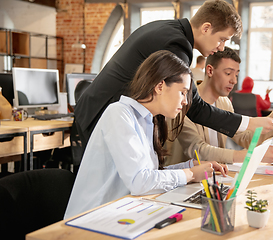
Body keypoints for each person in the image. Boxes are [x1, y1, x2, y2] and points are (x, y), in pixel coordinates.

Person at [74, 0, 273, 154]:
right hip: (101, 115)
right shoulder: (177, 45)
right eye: (222, 39)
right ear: (206, 28)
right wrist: (248, 123)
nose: (221, 47)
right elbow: (194, 107)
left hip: (103, 109)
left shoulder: (170, 30)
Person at [64, 51, 228, 219]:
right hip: (93, 219)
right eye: (182, 92)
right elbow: (140, 182)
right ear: (160, 86)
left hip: (122, 211)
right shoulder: (119, 113)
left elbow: (150, 174)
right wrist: (191, 174)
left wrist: (189, 166)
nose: (185, 101)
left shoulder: (148, 120)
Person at [165, 47, 273, 165]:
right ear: (210, 71)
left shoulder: (224, 103)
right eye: (228, 73)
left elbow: (244, 139)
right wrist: (250, 156)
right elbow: (199, 150)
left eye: (236, 74)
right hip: (182, 181)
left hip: (213, 179)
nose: (233, 80)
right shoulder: (184, 101)